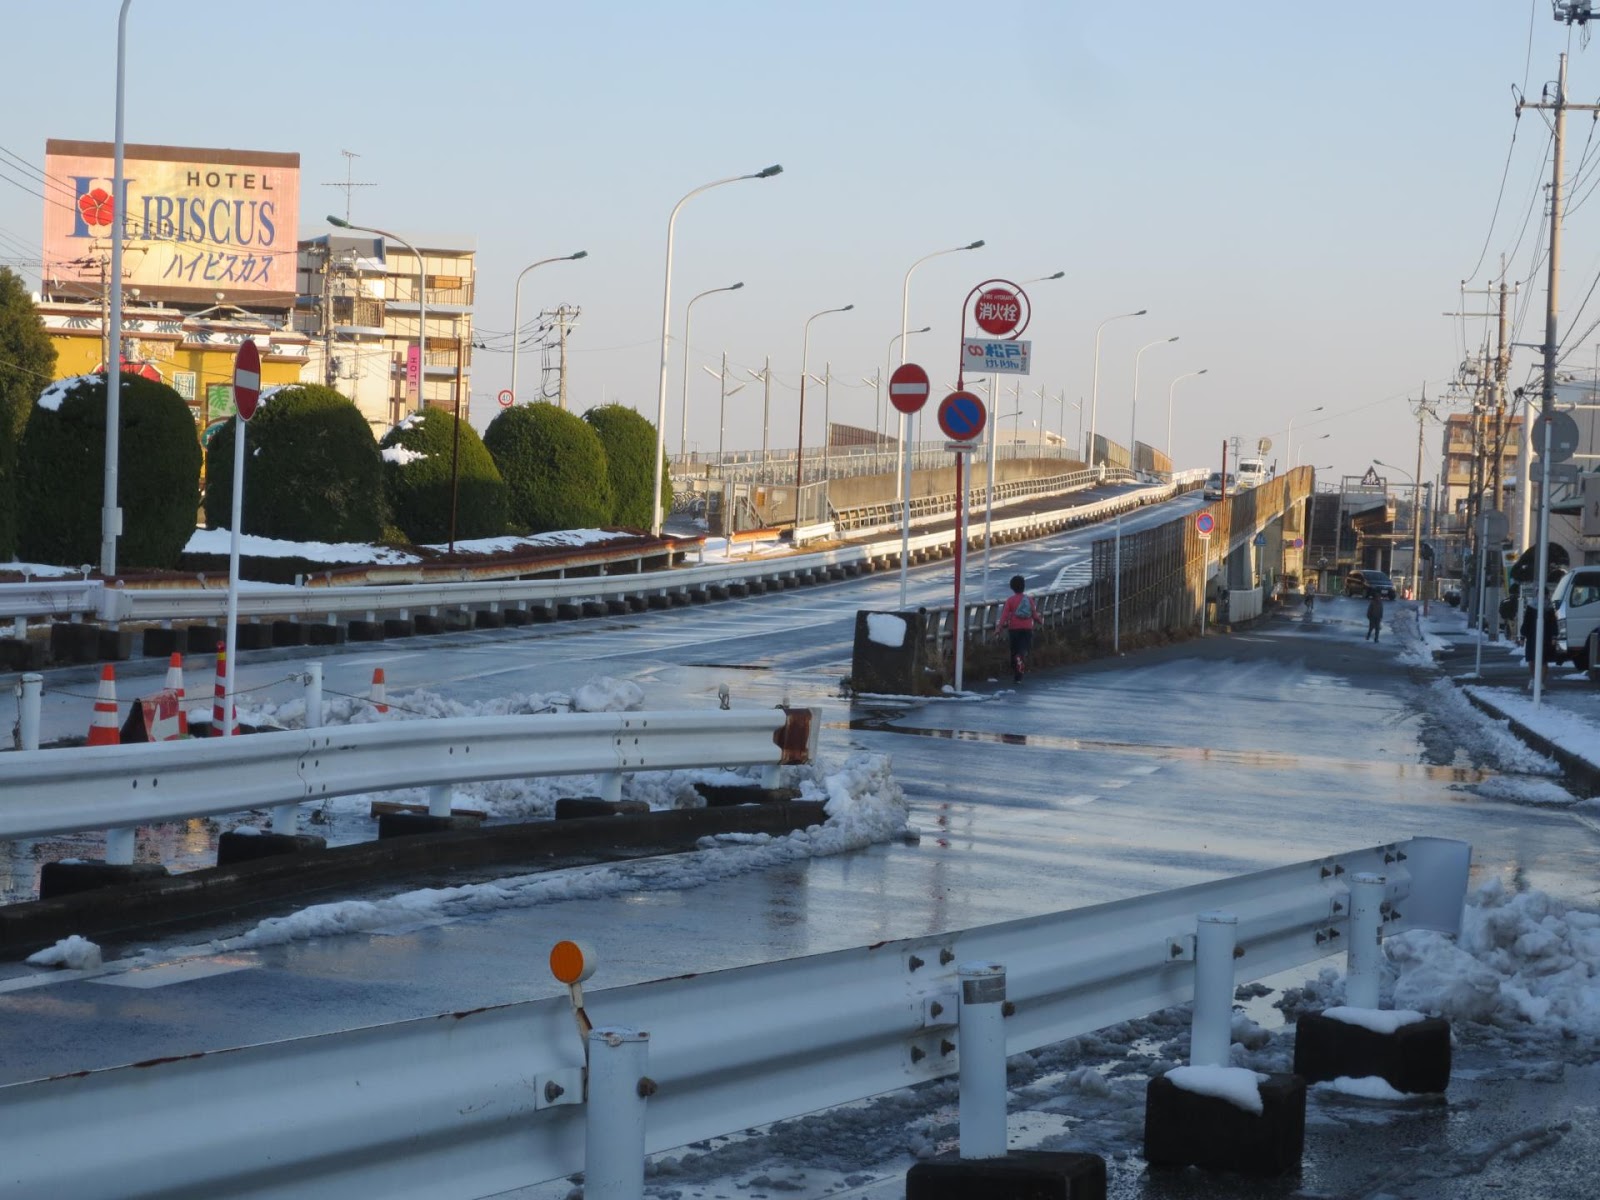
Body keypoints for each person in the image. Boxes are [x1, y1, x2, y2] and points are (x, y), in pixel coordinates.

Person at [996, 574, 1036, 683]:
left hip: (1014, 629)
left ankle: (1016, 674)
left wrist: (999, 628)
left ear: (1012, 587)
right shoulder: (1029, 599)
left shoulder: (1010, 600)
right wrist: (1040, 621)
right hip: (1027, 628)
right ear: (1023, 586)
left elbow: (1004, 615)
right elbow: (1034, 613)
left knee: (1013, 650)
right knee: (1023, 648)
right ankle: (1021, 659)